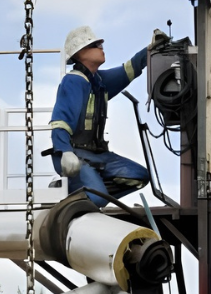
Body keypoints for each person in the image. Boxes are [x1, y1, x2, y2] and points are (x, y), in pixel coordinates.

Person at [48, 25, 167, 206]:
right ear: (80, 52)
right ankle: (81, 192)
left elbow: (130, 68)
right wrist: (65, 151)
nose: (101, 47)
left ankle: (81, 190)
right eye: (95, 44)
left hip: (97, 155)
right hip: (75, 154)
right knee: (97, 198)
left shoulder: (100, 81)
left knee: (139, 176)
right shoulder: (73, 81)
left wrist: (151, 49)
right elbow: (60, 122)